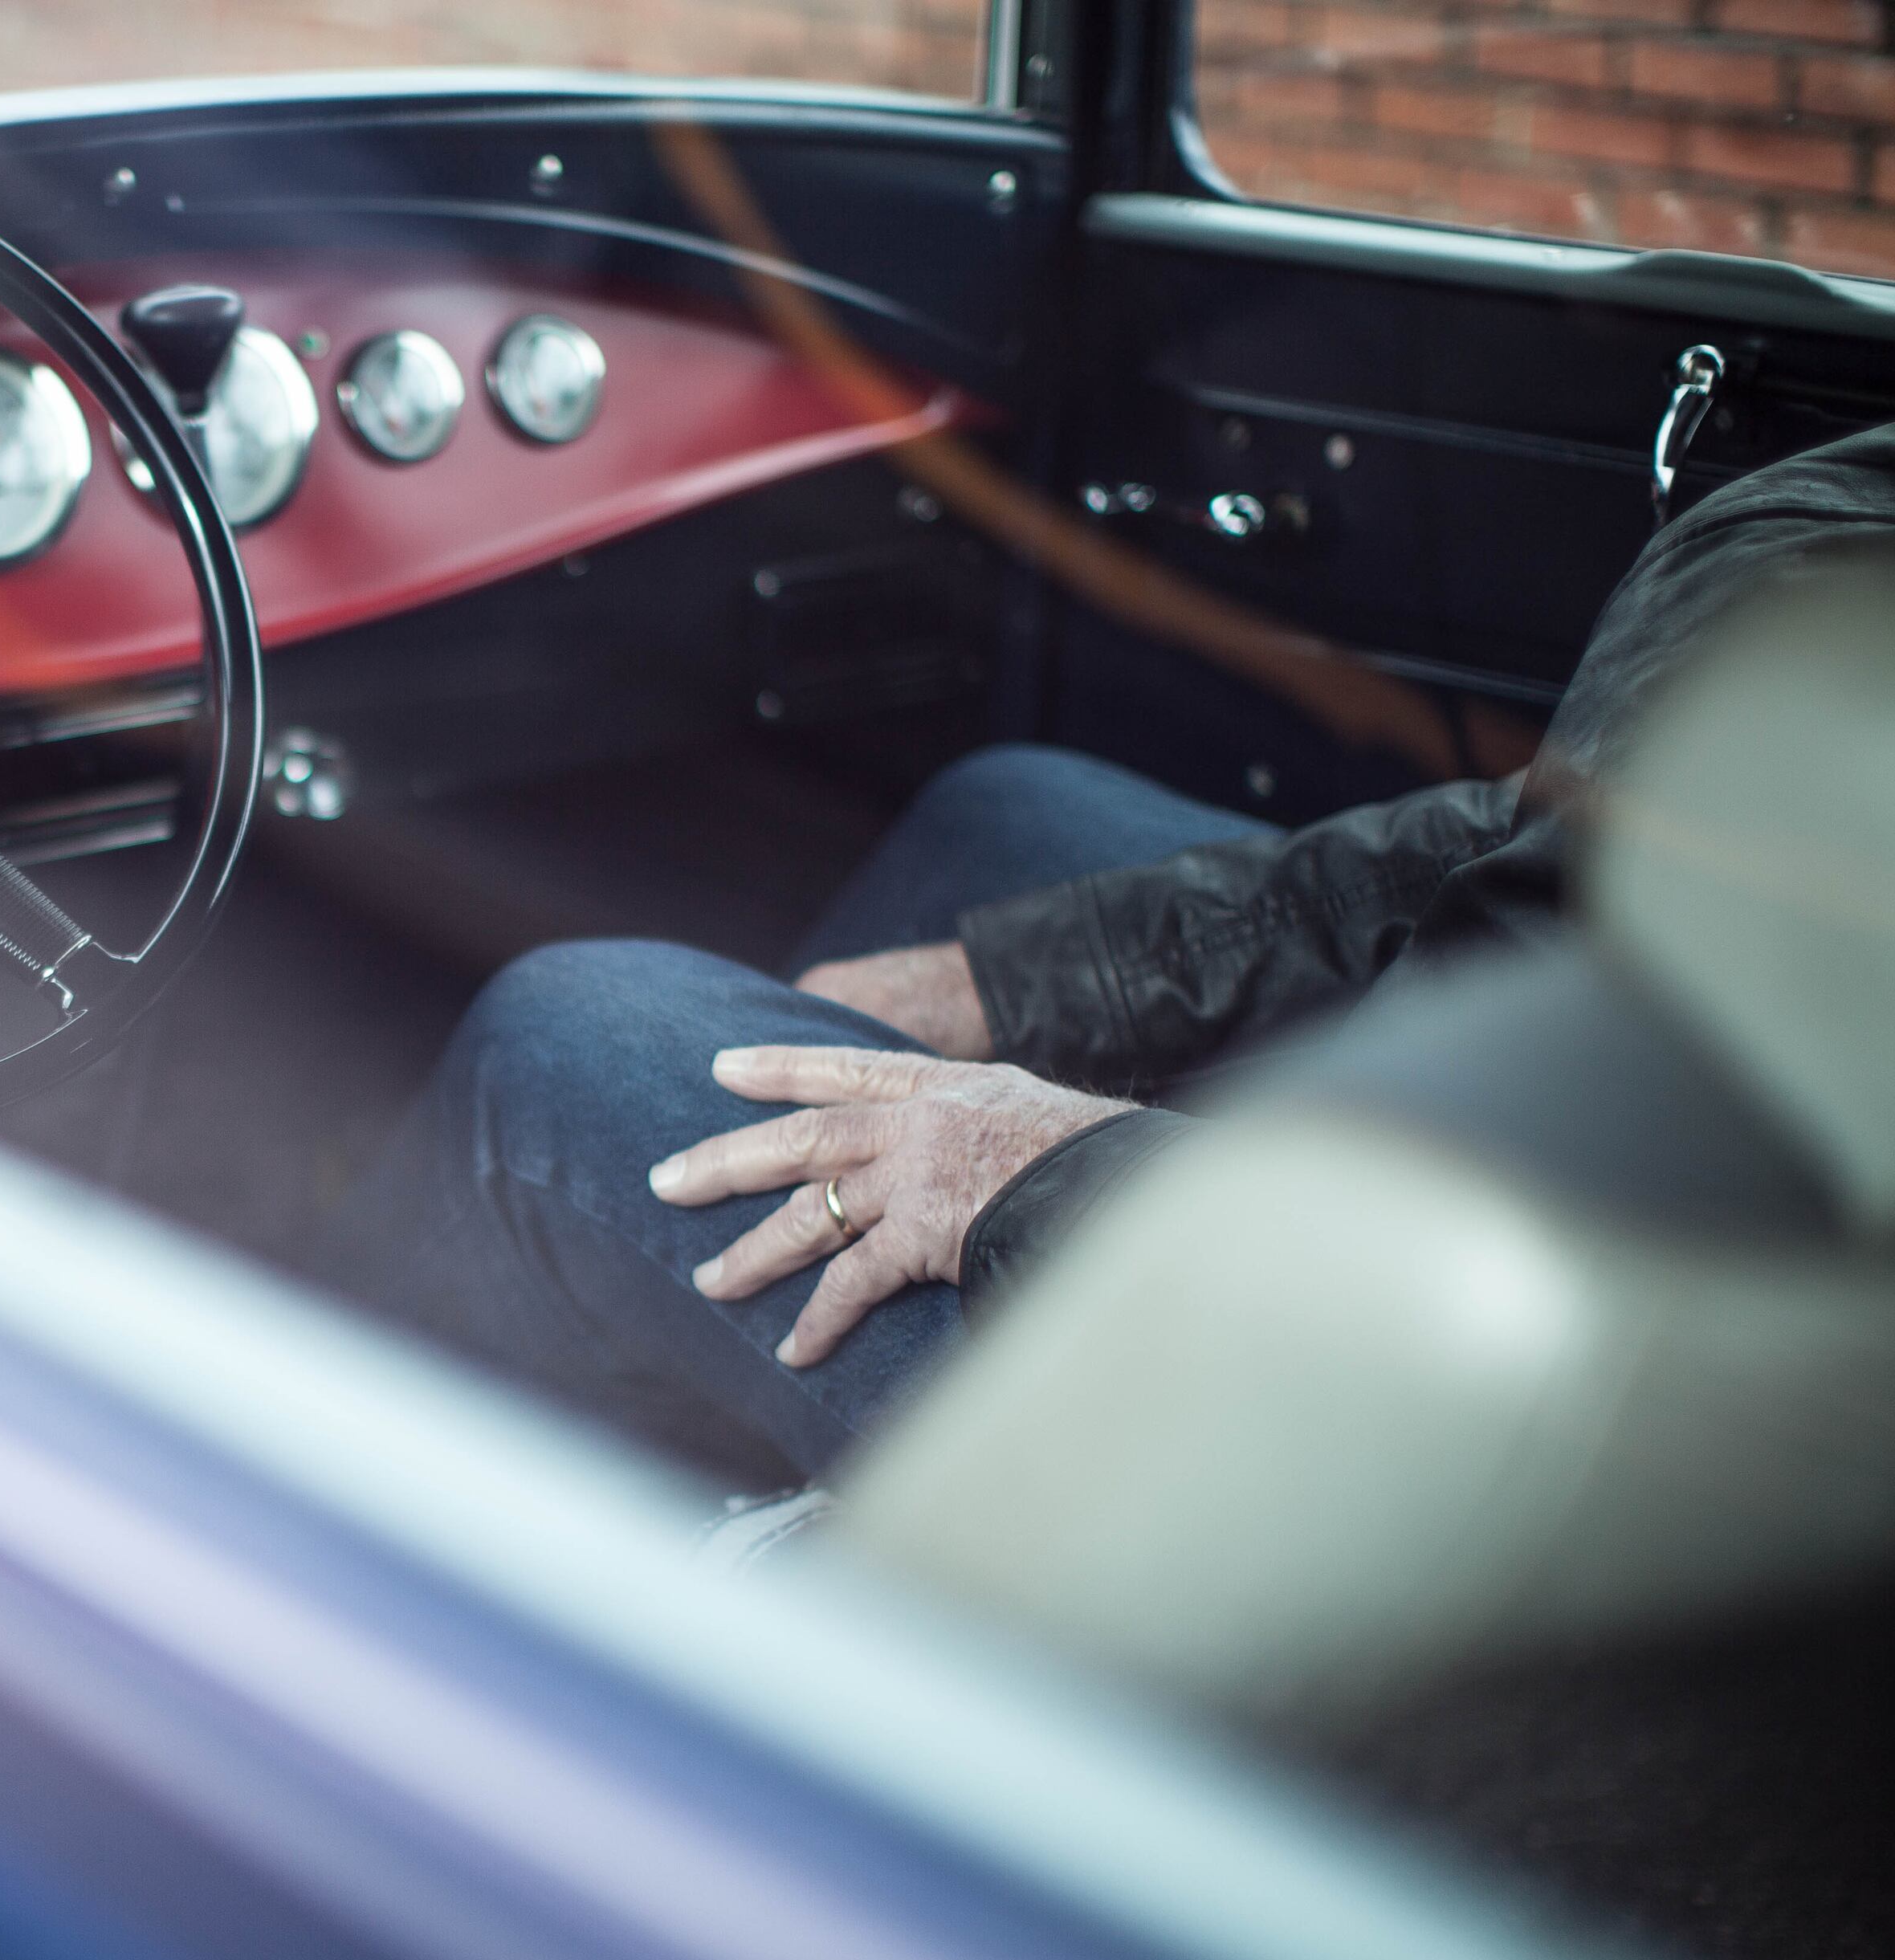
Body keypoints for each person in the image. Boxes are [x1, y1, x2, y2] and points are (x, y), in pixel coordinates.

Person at [323, 422, 1895, 1489]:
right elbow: (1557, 850)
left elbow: (1591, 1254)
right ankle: (803, 1491)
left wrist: (1045, 1164)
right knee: (1010, 816)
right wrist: (1038, 977)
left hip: (1502, 1489)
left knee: (564, 1039)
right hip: (1560, 1147)